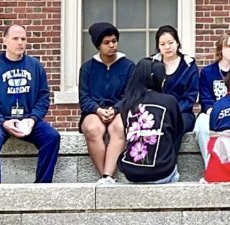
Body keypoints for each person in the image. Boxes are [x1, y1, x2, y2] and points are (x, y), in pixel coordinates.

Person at [0, 24, 61, 183]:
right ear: (5, 40)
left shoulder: (35, 66)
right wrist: (3, 122)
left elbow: (43, 97)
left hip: (27, 119)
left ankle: (43, 185)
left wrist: (33, 119)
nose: (20, 42)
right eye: (15, 38)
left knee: (52, 136)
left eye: (23, 38)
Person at [78, 22, 135, 183]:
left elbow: (130, 96)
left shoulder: (129, 66)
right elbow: (84, 98)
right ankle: (105, 175)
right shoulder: (87, 68)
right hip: (94, 111)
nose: (112, 45)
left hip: (119, 109)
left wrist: (115, 109)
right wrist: (98, 110)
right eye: (106, 42)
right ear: (98, 45)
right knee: (92, 128)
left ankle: (107, 176)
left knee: (119, 128)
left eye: (114, 41)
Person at [118, 58, 183, 183]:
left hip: (131, 173)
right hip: (163, 172)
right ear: (161, 79)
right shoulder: (169, 101)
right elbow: (177, 131)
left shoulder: (127, 104)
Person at [195, 32, 230, 167]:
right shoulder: (207, 72)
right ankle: (210, 166)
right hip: (212, 112)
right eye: (228, 46)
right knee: (201, 127)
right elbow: (205, 99)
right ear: (220, 49)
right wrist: (215, 113)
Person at [151, 25, 199, 136]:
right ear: (158, 46)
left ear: (177, 43)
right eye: (162, 44)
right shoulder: (151, 64)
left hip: (183, 113)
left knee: (172, 126)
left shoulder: (189, 66)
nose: (167, 47)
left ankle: (169, 154)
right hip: (156, 112)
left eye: (171, 43)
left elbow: (190, 97)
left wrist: (172, 111)